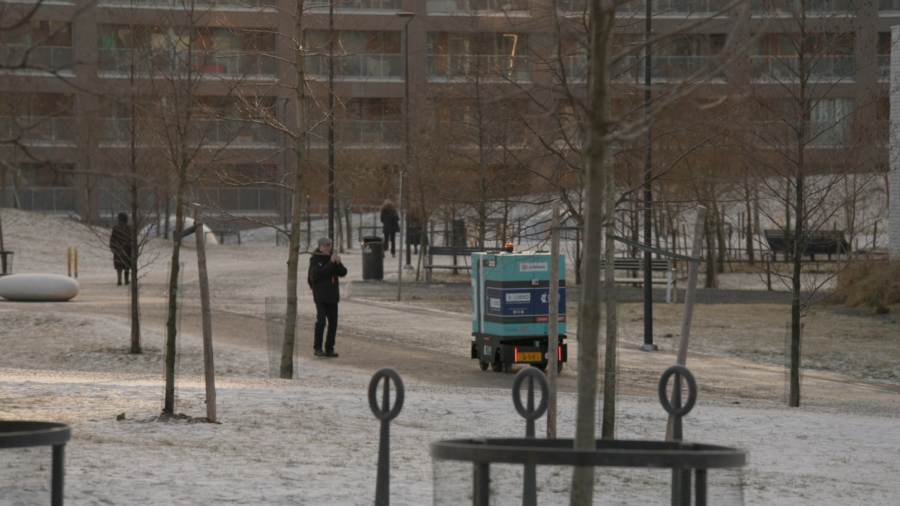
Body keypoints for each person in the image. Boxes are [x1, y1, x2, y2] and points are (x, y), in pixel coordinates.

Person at [308, 237, 347, 358]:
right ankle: (318, 347)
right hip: (320, 296)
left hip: (332, 296)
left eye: (329, 245)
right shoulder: (315, 259)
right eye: (325, 246)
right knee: (321, 321)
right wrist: (331, 263)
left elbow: (343, 273)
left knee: (333, 323)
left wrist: (338, 263)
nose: (328, 248)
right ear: (320, 246)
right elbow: (318, 273)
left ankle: (329, 348)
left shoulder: (333, 258)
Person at [109, 212, 132, 286]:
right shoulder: (129, 228)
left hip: (118, 249)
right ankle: (126, 280)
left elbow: (112, 239)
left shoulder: (116, 228)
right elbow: (131, 239)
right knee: (127, 265)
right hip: (127, 249)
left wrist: (112, 248)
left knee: (119, 266)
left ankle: (119, 280)